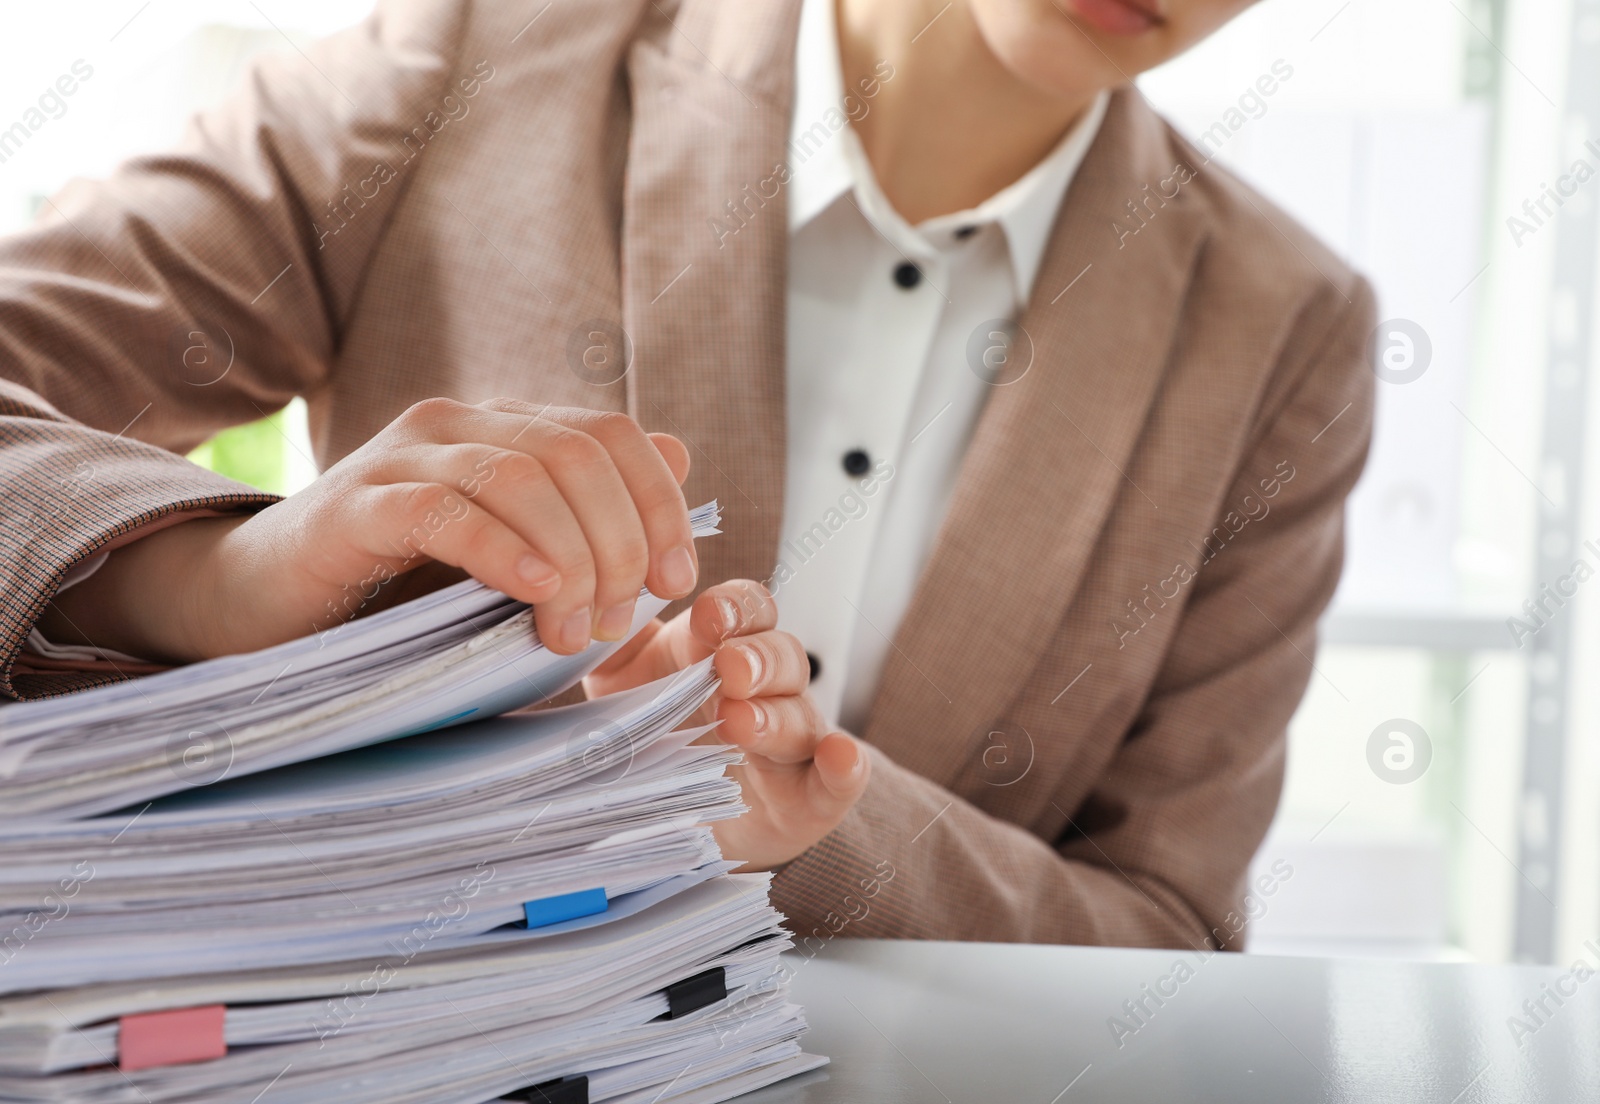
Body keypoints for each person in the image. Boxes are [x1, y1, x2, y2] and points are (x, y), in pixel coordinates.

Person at [0, 0, 1373, 950]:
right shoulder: (481, 57)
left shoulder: (1279, 330)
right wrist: (220, 582)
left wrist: (807, 825)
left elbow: (1165, 928)